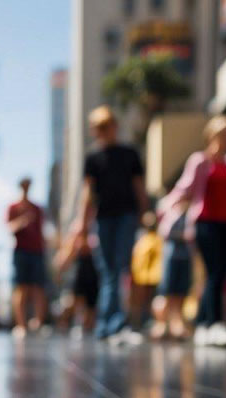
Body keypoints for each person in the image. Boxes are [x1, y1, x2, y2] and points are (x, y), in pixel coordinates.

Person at [158, 116, 226, 347]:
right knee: (213, 274)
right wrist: (166, 206)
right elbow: (185, 187)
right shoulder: (200, 161)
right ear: (213, 135)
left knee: (222, 273)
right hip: (206, 223)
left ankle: (205, 321)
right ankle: (212, 323)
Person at [71, 105, 154, 345]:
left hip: (126, 217)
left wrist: (144, 211)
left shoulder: (129, 153)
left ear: (114, 126)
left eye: (105, 126)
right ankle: (108, 324)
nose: (101, 131)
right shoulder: (92, 158)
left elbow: (138, 186)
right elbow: (87, 193)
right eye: (97, 128)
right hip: (103, 219)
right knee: (108, 272)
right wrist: (82, 224)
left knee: (121, 268)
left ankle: (114, 323)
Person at [7, 177, 47, 338]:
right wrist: (23, 221)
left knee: (38, 288)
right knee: (21, 287)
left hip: (37, 251)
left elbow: (41, 231)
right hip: (20, 251)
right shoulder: (13, 207)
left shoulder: (37, 208)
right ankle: (21, 325)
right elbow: (9, 228)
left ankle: (38, 323)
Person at [151, 206, 192, 340]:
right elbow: (164, 230)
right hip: (170, 256)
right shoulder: (170, 208)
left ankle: (176, 323)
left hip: (185, 256)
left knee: (180, 292)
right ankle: (161, 323)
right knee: (165, 292)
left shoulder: (189, 211)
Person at [54, 228, 100, 337]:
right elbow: (63, 260)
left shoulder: (94, 236)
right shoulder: (75, 239)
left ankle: (88, 326)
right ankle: (74, 324)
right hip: (80, 274)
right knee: (76, 300)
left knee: (91, 304)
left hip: (92, 273)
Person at [130, 227, 161, 332]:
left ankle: (146, 321)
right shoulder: (143, 239)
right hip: (142, 277)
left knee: (148, 300)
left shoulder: (155, 240)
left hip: (151, 276)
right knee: (140, 301)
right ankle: (137, 322)